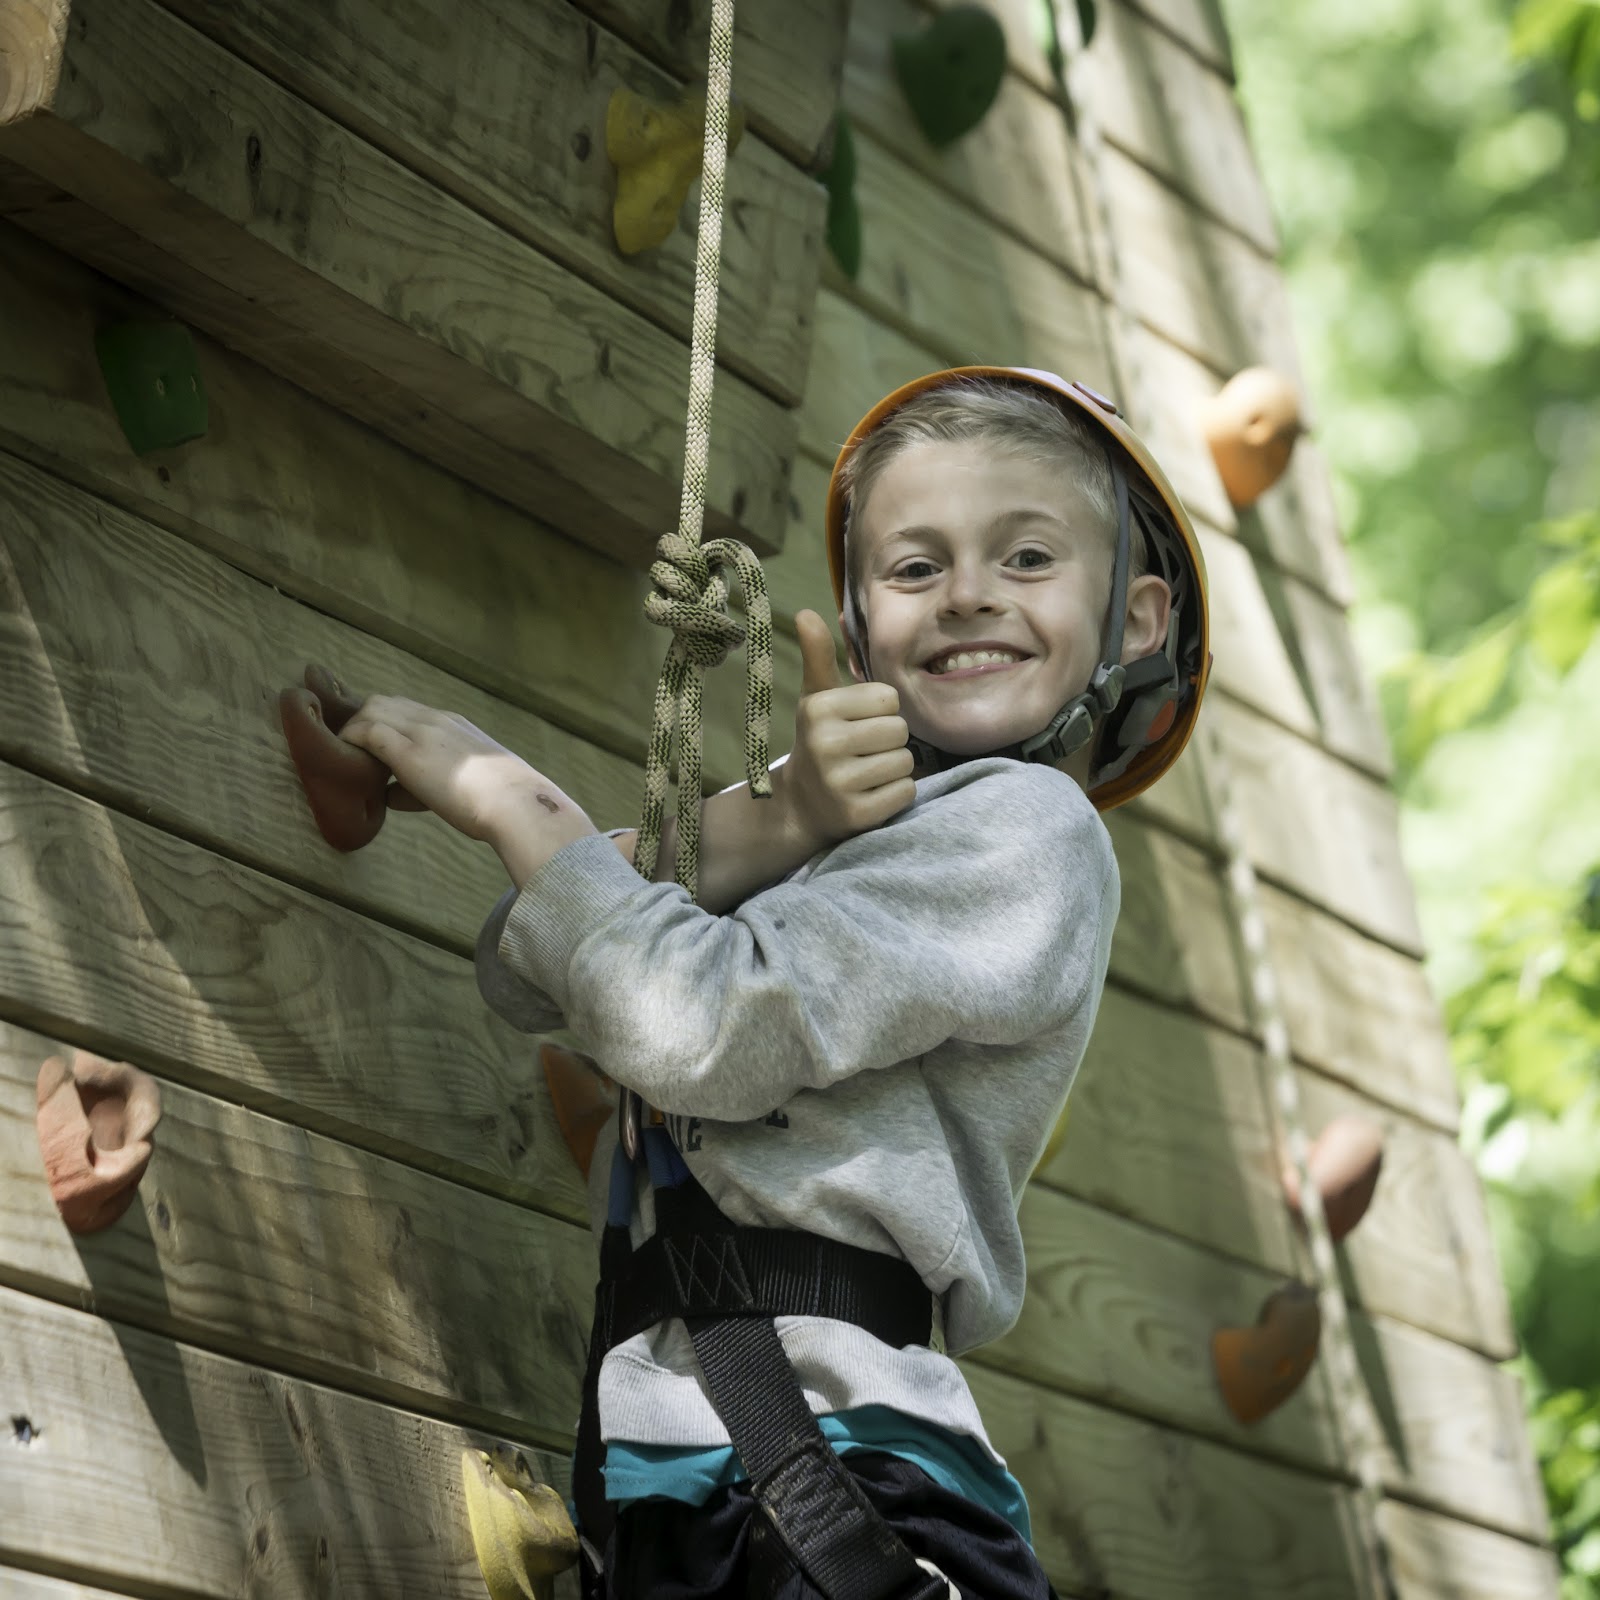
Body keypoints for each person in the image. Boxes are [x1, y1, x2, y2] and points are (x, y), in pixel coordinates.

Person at [331, 367, 1210, 1599]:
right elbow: (529, 963)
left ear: (1132, 620)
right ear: (856, 629)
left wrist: (519, 806)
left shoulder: (1031, 832)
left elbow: (695, 1024)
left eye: (1024, 558)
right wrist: (781, 813)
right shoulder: (847, 825)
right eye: (914, 568)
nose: (967, 594)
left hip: (828, 1470)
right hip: (696, 1470)